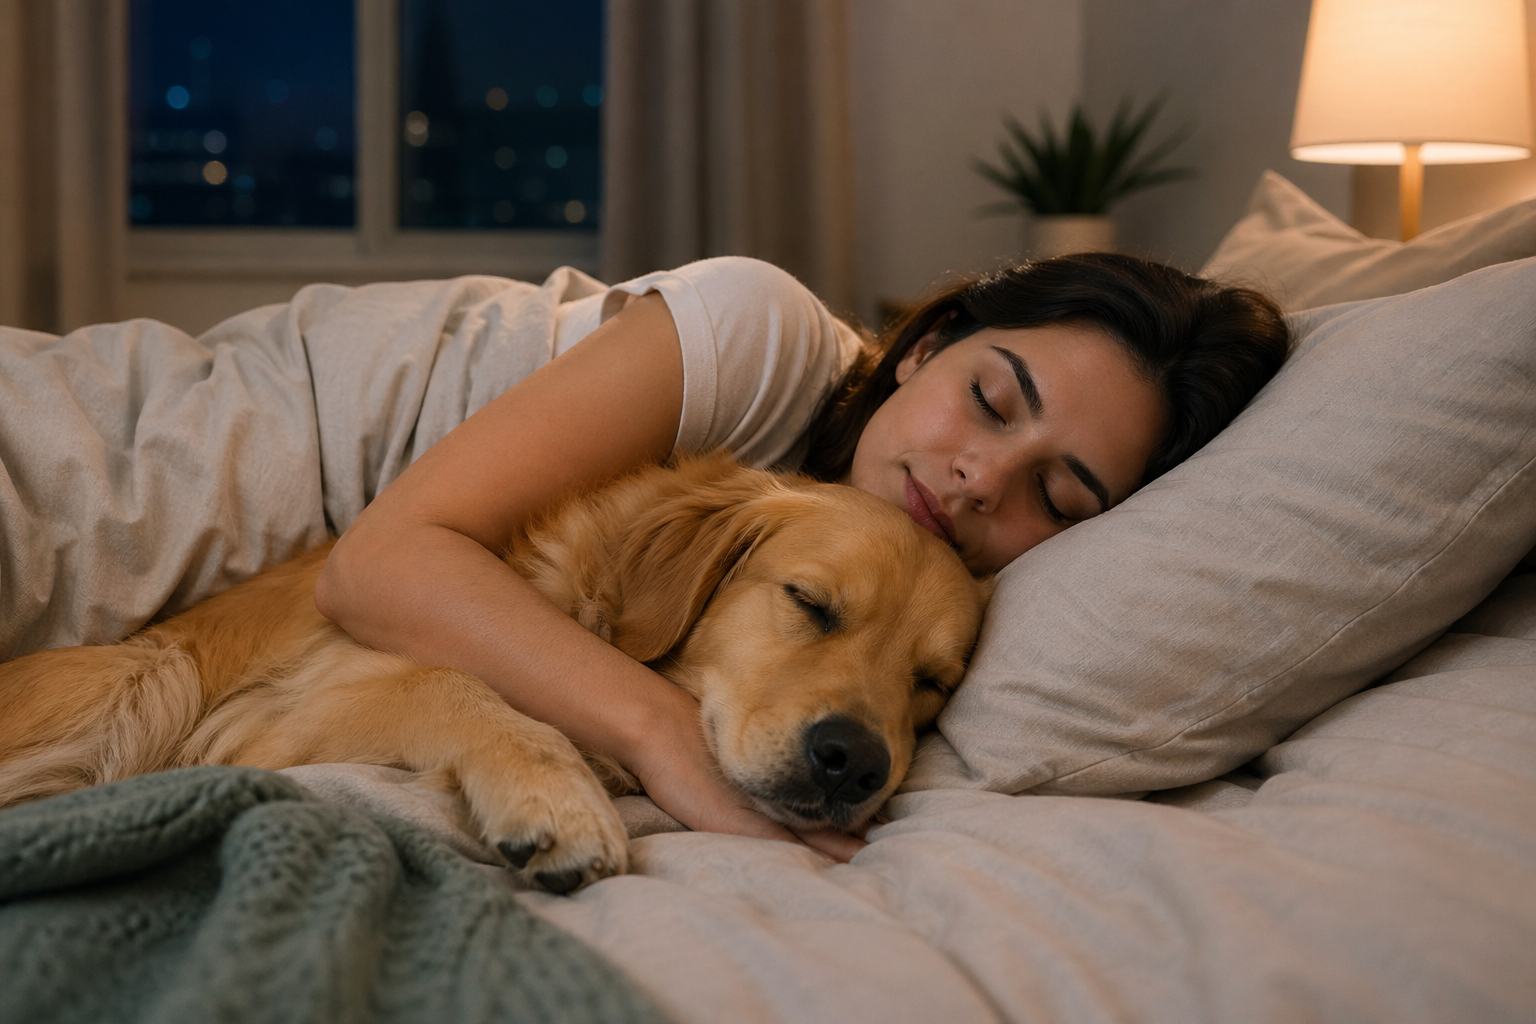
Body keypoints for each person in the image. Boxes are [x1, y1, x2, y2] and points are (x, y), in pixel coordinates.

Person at [313, 252, 1290, 862]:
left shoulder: (899, 565)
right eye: (991, 401)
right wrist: (663, 737)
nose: (982, 479)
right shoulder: (761, 334)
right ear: (926, 344)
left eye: (1058, 493)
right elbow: (377, 565)